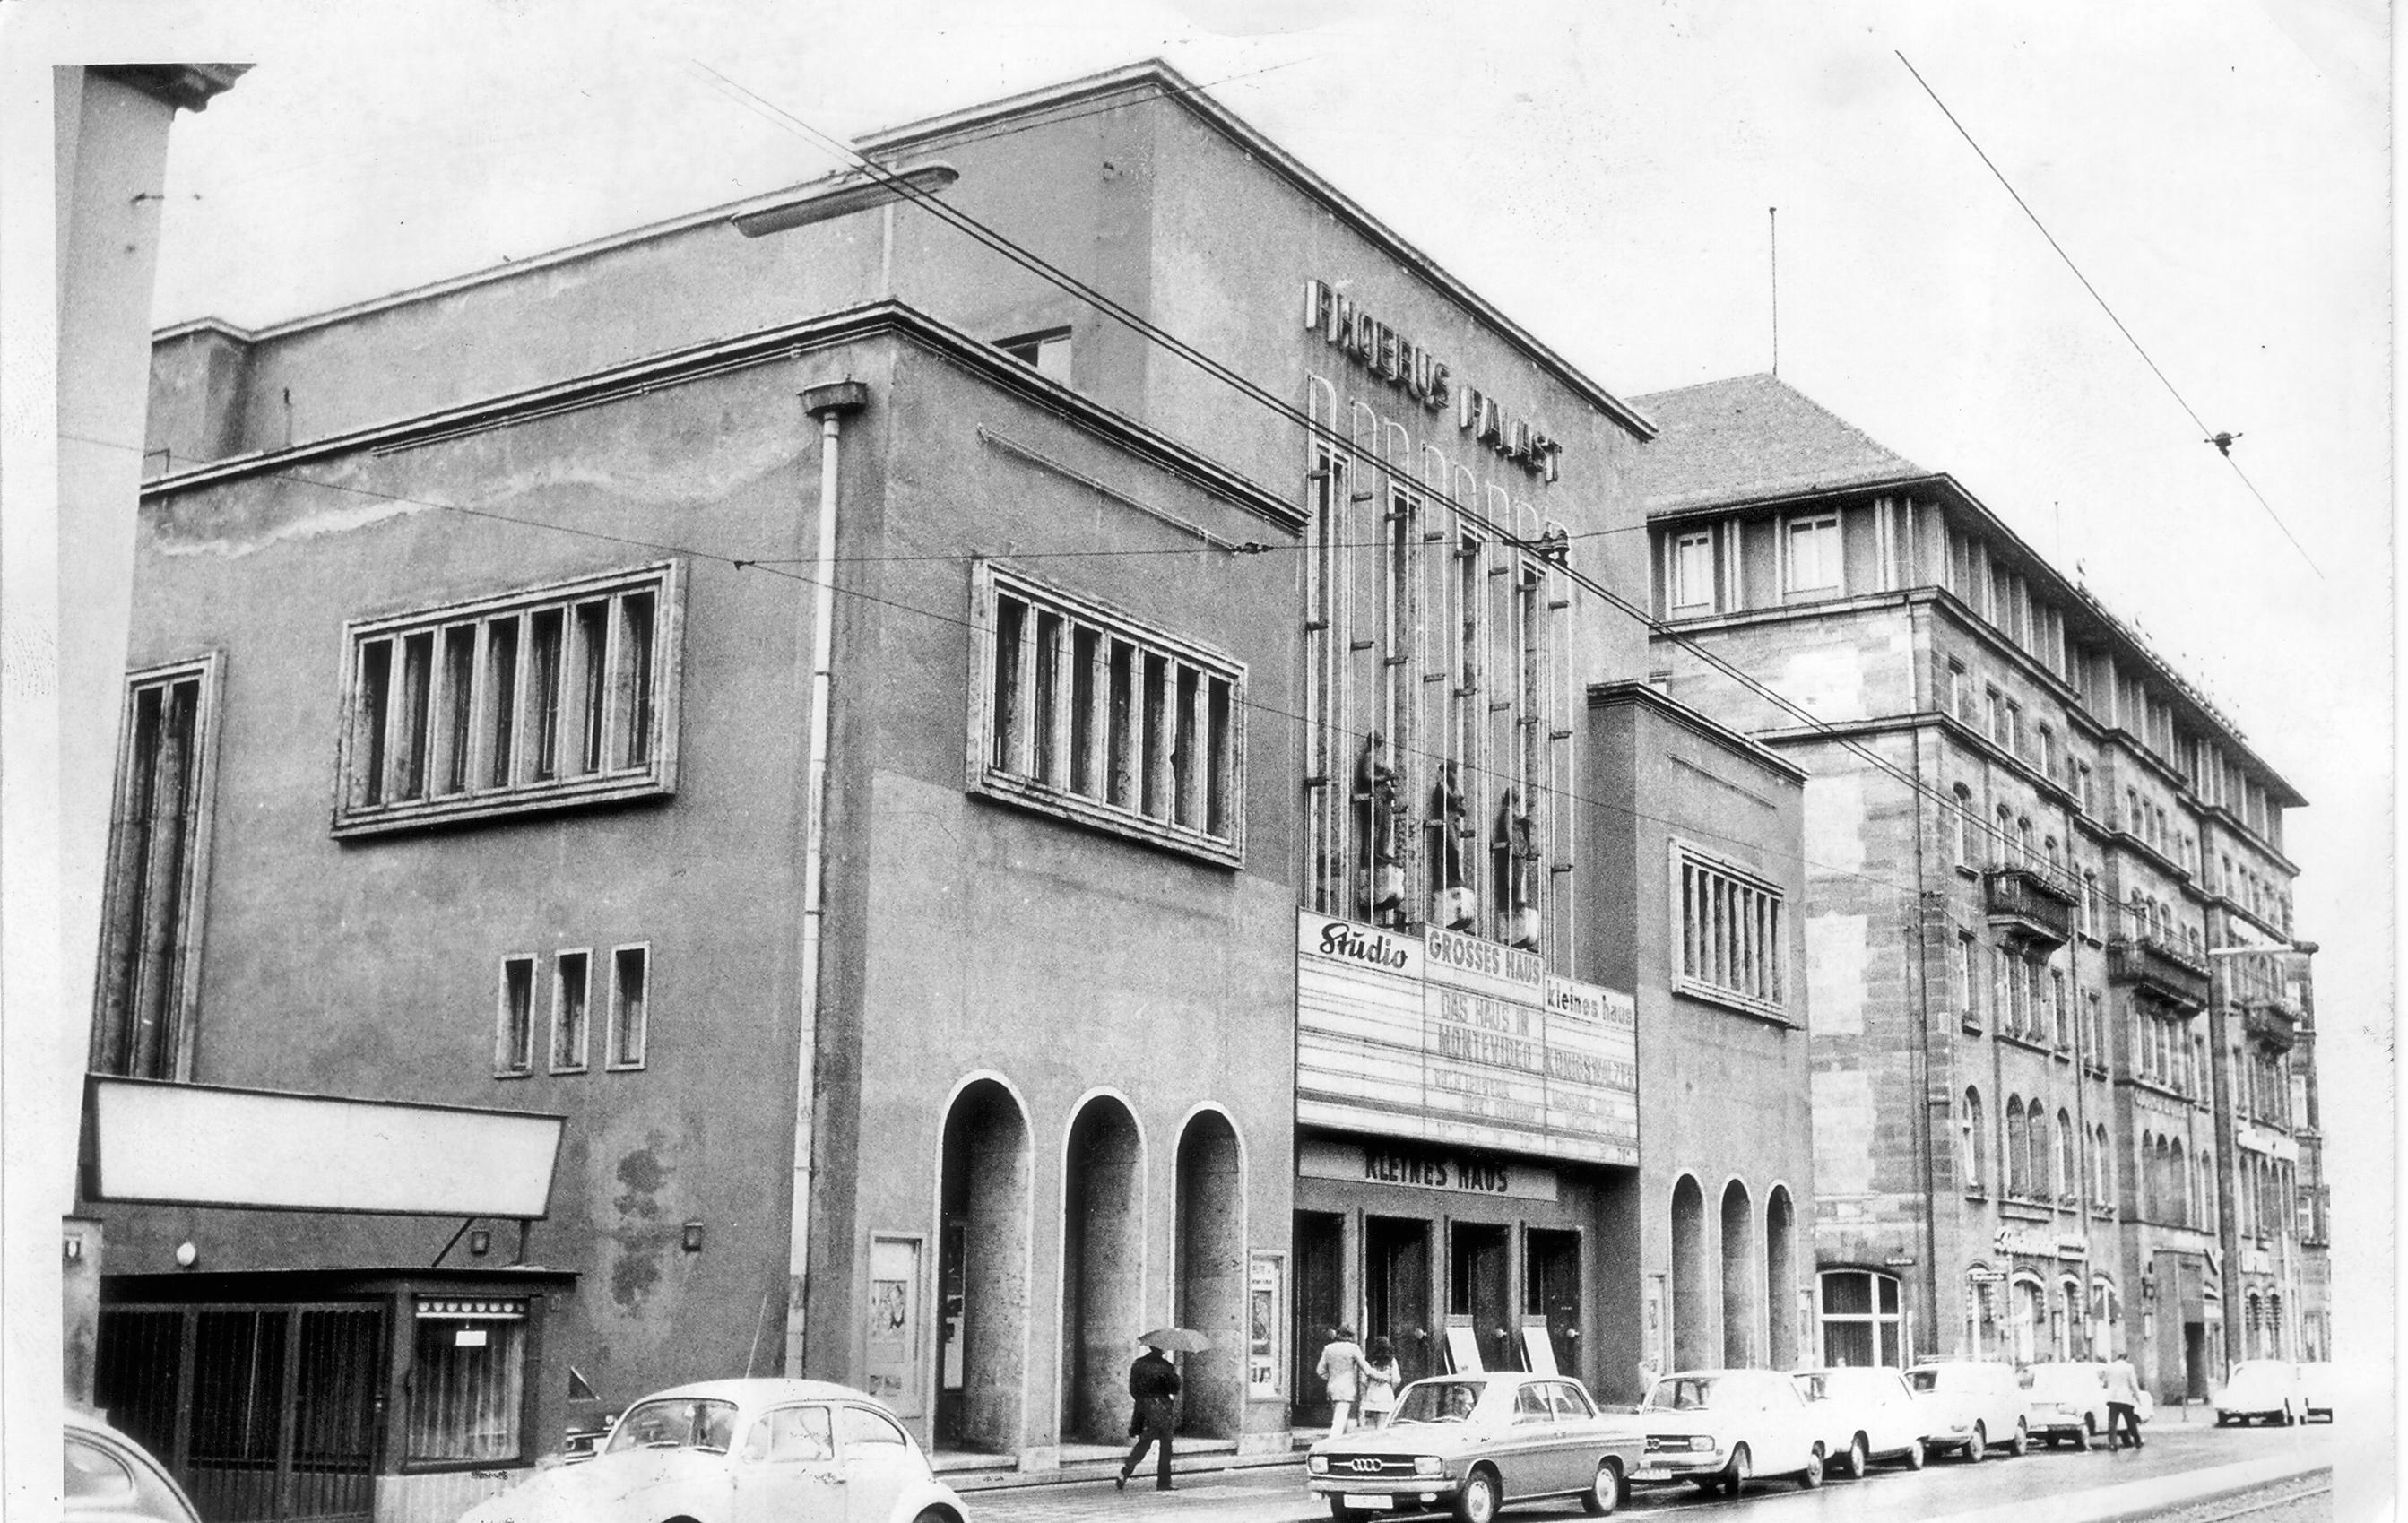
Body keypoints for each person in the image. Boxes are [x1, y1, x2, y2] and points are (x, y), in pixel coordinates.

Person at [1118, 1342, 1181, 1492]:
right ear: (1163, 1349)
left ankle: (1126, 1469)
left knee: (1144, 1443)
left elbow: (1133, 1389)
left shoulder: (1138, 1364)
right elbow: (1175, 1389)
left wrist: (1143, 1400)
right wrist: (1175, 1375)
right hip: (1162, 1408)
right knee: (1166, 1446)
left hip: (1143, 1407)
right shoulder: (1166, 1366)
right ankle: (1164, 1482)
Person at [1316, 1327, 1369, 1434]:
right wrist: (1380, 1375)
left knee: (1340, 1418)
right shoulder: (1354, 1348)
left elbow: (1319, 1370)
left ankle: (1339, 1445)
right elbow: (1366, 1369)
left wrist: (1330, 1377)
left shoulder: (1328, 1348)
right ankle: (1331, 1446)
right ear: (1351, 1336)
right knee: (1339, 1421)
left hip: (1332, 1387)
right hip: (1346, 1388)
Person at [2102, 1351, 2144, 1451]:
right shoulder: (2129, 1367)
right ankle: (2137, 1440)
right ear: (2126, 1357)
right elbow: (2133, 1384)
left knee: (2112, 1422)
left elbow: (2105, 1383)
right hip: (2125, 1398)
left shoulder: (2110, 1367)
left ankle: (2112, 1443)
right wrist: (2138, 1398)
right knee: (2130, 1422)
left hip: (2112, 1398)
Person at [1359, 1337, 1403, 1429]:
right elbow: (1397, 1379)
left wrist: (1365, 1392)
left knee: (1373, 1425)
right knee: (1383, 1424)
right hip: (1385, 1393)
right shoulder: (1391, 1361)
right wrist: (1391, 1386)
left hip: (1372, 1393)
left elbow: (1363, 1380)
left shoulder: (1369, 1360)